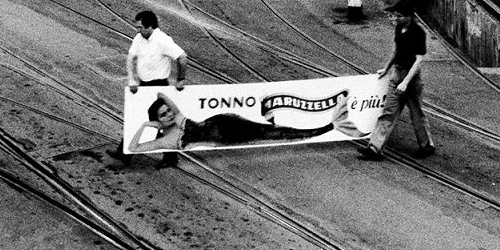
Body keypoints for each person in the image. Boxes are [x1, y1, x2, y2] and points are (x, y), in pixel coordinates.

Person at [128, 92, 359, 158]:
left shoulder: (177, 117)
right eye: (163, 115)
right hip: (224, 137)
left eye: (167, 111)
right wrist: (146, 125)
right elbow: (135, 147)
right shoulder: (166, 139)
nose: (168, 114)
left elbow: (161, 94)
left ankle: (328, 126)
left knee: (270, 131)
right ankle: (331, 126)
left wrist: (159, 109)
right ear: (159, 120)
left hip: (226, 122)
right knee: (270, 135)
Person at [109, 9, 187, 167]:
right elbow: (131, 58)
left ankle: (171, 159)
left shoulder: (163, 40)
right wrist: (132, 79)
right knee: (136, 118)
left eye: (140, 27)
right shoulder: (139, 38)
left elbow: (182, 57)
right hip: (144, 86)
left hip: (159, 86)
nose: (137, 31)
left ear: (150, 27)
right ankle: (124, 153)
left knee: (163, 123)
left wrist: (180, 79)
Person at [360, 0, 434, 160]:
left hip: (411, 78)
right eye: (395, 16)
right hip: (397, 74)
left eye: (399, 16)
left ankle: (426, 145)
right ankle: (374, 148)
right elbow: (396, 51)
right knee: (388, 112)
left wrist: (406, 82)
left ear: (409, 17)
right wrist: (386, 69)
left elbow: (418, 60)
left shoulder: (418, 33)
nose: (395, 18)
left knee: (416, 114)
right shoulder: (399, 28)